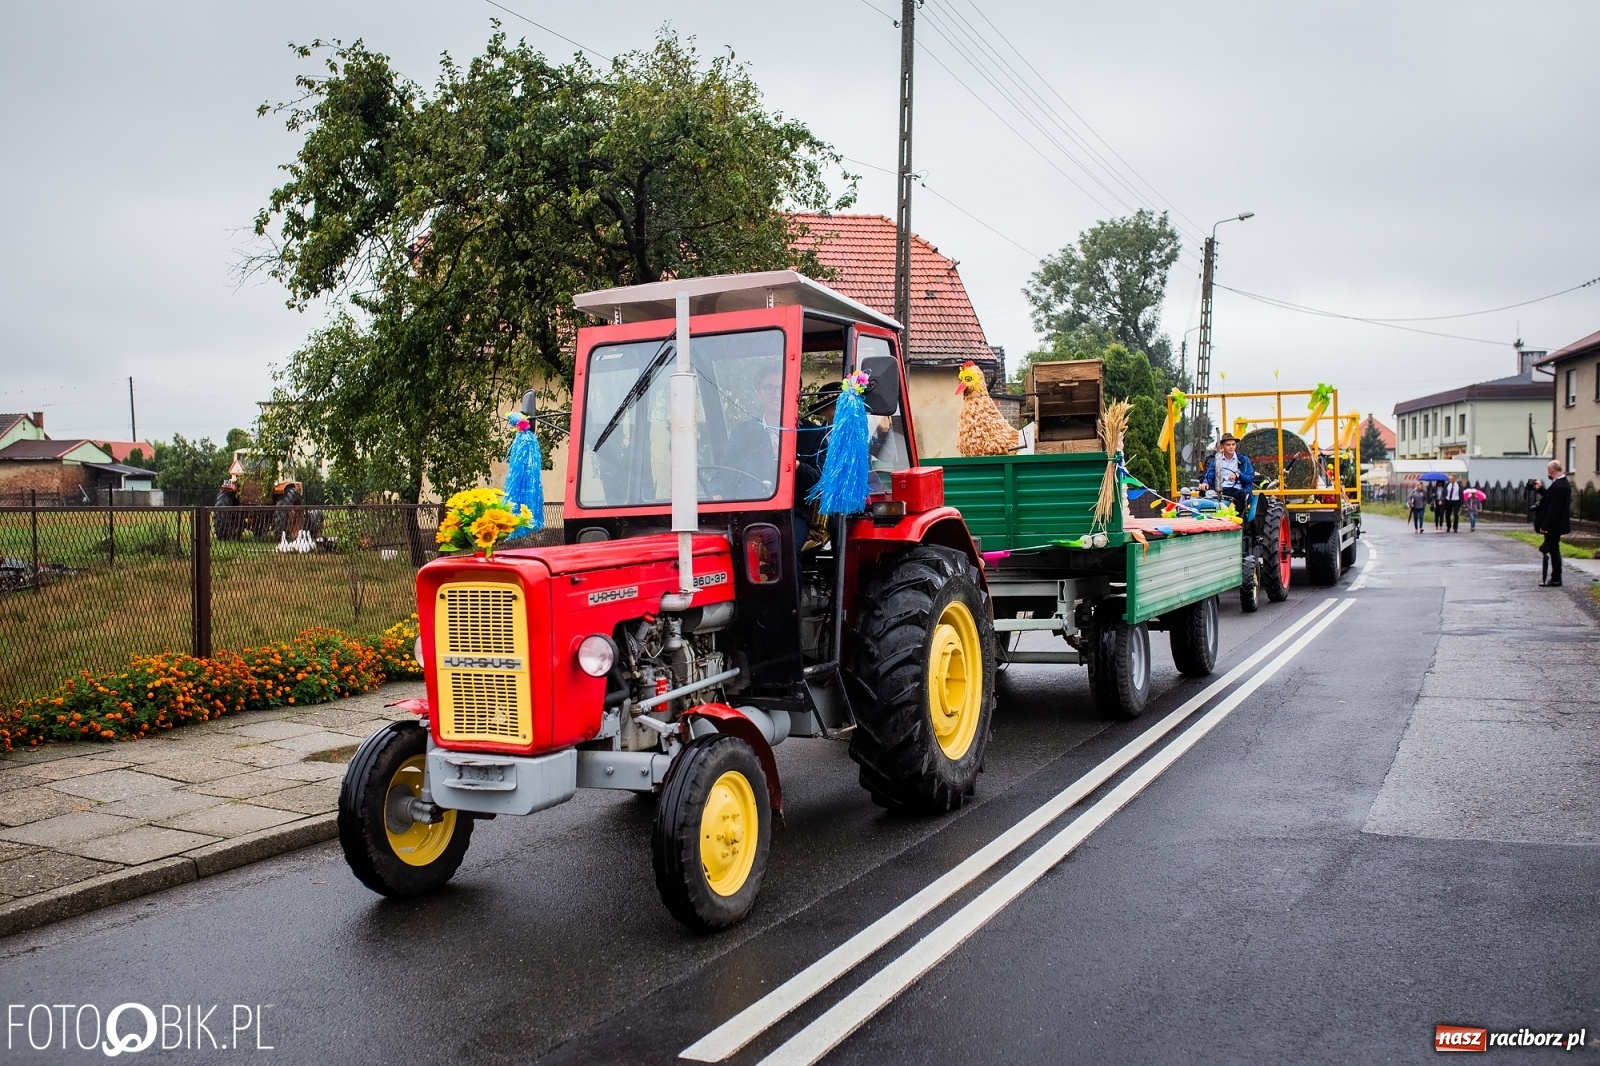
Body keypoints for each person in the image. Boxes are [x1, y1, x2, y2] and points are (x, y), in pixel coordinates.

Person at [1533, 460, 1572, 587]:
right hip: (1556, 524)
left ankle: (1556, 578)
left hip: (1554, 525)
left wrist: (1545, 525)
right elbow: (1551, 498)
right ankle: (1555, 577)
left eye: (1548, 470)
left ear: (1552, 470)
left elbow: (1554, 508)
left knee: (1554, 550)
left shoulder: (1560, 486)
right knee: (1553, 548)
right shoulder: (1560, 484)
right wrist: (1540, 489)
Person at [1199, 433, 1254, 514]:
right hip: (1220, 488)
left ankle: (1238, 519)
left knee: (1243, 494)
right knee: (1203, 492)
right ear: (1222, 446)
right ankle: (1206, 518)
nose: (1231, 447)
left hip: (1237, 489)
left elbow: (1250, 478)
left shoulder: (1243, 460)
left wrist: (1238, 475)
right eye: (1228, 445)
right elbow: (1209, 476)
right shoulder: (1216, 460)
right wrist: (1205, 483)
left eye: (1233, 444)